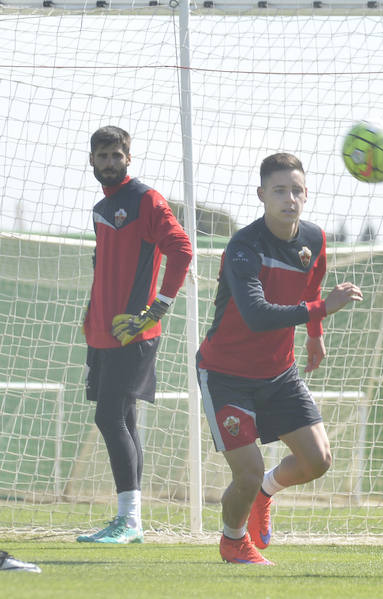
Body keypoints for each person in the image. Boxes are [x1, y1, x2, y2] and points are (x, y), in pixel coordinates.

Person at [196, 152, 363, 565]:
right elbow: (256, 314)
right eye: (279, 190)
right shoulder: (243, 247)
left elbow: (312, 285)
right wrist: (321, 311)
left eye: (296, 190)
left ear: (306, 194)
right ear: (261, 195)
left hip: (279, 373)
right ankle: (233, 540)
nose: (289, 198)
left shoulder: (314, 239)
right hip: (226, 374)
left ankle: (265, 495)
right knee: (247, 472)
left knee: (318, 461)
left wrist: (315, 336)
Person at [78, 126, 193, 544]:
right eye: (102, 156)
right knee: (122, 418)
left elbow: (181, 248)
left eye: (116, 155)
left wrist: (157, 307)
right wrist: (92, 309)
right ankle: (131, 521)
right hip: (102, 332)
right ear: (91, 160)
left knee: (108, 417)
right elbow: (103, 262)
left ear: (129, 157)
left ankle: (129, 521)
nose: (110, 163)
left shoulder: (146, 199)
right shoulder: (99, 209)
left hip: (134, 332)